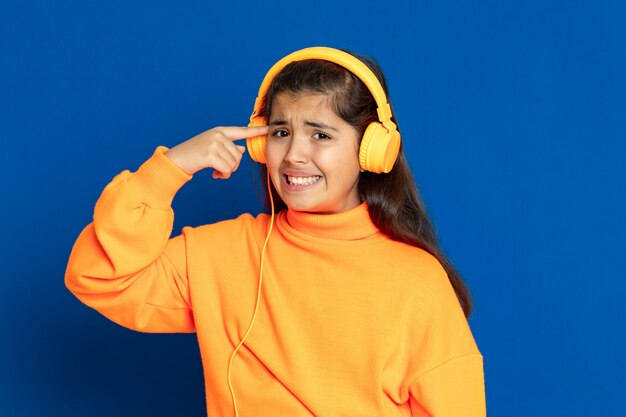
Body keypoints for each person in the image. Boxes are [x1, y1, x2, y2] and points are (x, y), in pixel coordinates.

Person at [65, 47, 486, 417]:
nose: (294, 155)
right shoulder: (220, 253)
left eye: (320, 134)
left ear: (370, 153)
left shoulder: (417, 282)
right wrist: (168, 170)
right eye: (281, 133)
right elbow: (97, 277)